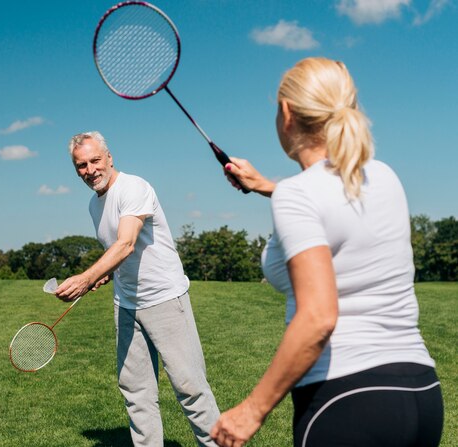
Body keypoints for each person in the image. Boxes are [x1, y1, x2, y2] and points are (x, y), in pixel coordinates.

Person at [210, 57, 444, 447]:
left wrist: (252, 410)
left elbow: (318, 317)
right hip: (421, 396)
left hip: (347, 405)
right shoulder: (385, 176)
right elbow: (338, 207)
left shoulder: (297, 194)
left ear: (287, 114)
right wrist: (267, 186)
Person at [55, 131, 220, 447]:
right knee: (135, 389)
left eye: (95, 160)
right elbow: (118, 254)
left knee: (190, 387)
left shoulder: (133, 187)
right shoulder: (94, 205)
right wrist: (105, 275)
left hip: (164, 299)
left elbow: (127, 243)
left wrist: (86, 278)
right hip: (127, 304)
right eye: (81, 165)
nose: (89, 170)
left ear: (110, 158)